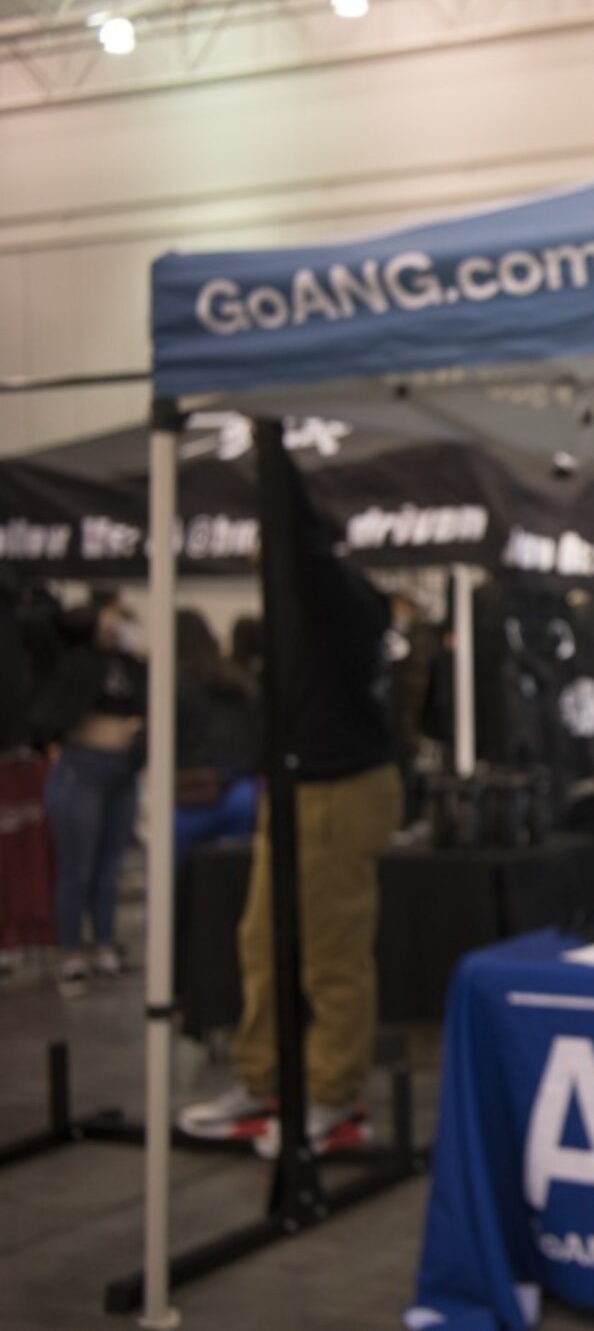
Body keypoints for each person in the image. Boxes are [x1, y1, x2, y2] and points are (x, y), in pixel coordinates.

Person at [177, 468, 403, 1159]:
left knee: (330, 953)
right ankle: (265, 1078)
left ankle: (333, 1096)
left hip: (341, 790)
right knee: (262, 943)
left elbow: (303, 545)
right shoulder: (298, 612)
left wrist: (271, 454)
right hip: (296, 788)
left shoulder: (339, 597)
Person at [30, 593, 146, 996]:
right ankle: (72, 949)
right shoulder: (74, 662)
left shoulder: (130, 666)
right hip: (82, 769)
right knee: (77, 866)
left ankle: (104, 942)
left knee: (110, 866)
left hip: (121, 771)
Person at [172, 608, 261, 871]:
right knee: (235, 877)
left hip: (190, 795)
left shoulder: (174, 685)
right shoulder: (237, 681)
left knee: (173, 884)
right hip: (240, 791)